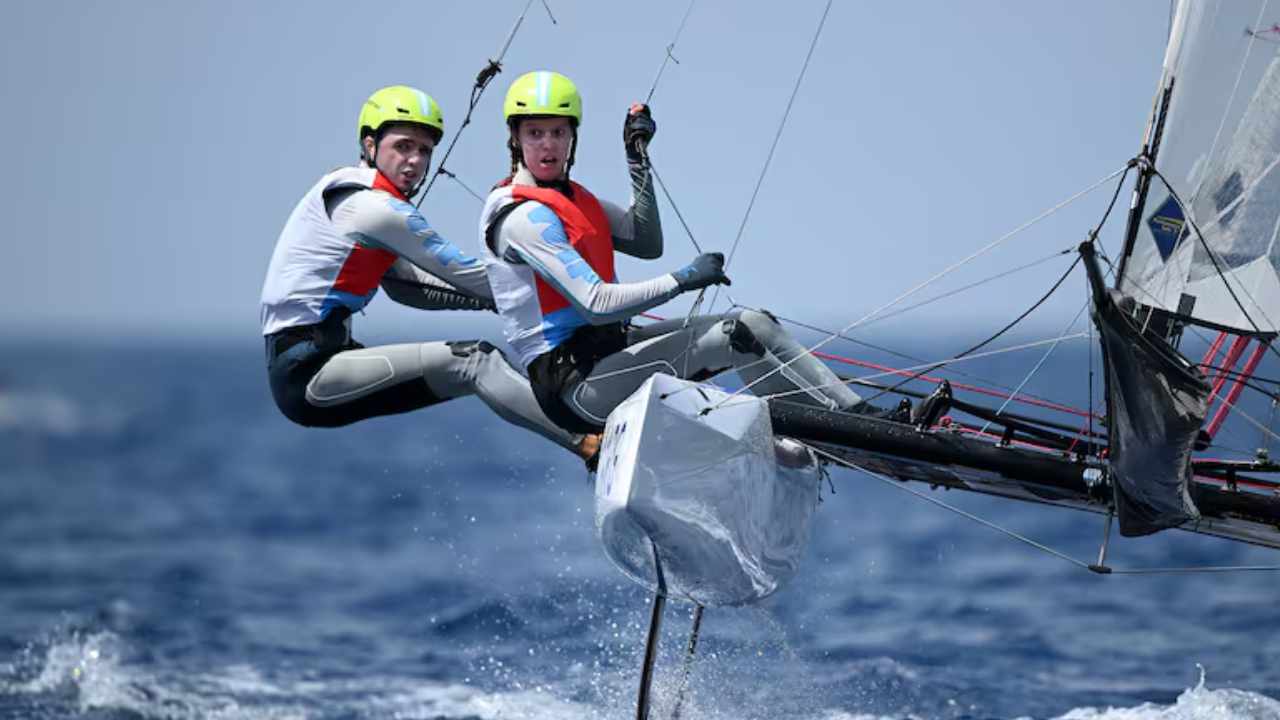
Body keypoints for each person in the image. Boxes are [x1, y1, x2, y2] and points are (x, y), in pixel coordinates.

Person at [478, 71, 901, 435]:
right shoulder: (522, 219)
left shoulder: (574, 200)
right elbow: (596, 303)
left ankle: (864, 418)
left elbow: (646, 241)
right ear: (515, 137)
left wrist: (636, 160)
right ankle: (820, 432)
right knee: (733, 338)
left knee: (755, 322)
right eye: (535, 133)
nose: (548, 144)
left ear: (573, 136)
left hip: (609, 355)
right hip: (575, 387)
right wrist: (684, 278)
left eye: (558, 131)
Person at [260, 84, 596, 459]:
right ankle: (590, 444)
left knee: (470, 365)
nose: (415, 160)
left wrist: (499, 303)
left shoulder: (359, 198)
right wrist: (568, 295)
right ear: (370, 146)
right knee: (475, 361)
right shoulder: (375, 210)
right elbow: (463, 273)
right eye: (403, 146)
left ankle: (590, 433)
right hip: (308, 373)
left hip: (320, 364)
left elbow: (408, 288)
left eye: (424, 150)